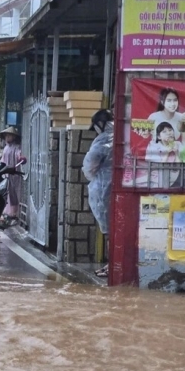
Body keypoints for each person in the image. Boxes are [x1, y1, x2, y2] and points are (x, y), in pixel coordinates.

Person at [82, 109, 114, 278]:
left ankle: (112, 266)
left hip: (104, 190)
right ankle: (112, 265)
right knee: (114, 230)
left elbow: (89, 165)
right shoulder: (121, 135)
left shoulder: (103, 140)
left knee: (109, 232)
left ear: (100, 124)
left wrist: (92, 176)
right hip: (117, 188)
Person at [0, 126, 23, 227]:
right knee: (9, 194)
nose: (7, 138)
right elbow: (3, 161)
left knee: (16, 193)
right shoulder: (6, 148)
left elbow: (19, 155)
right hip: (7, 174)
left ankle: (16, 214)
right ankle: (10, 214)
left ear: (13, 137)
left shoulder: (16, 147)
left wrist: (21, 158)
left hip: (15, 174)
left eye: (9, 136)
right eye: (6, 136)